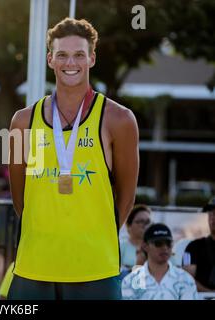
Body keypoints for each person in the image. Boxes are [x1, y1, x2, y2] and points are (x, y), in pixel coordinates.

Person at [8, 18, 139, 299]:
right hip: (35, 267)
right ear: (50, 59)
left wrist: (92, 236)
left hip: (95, 271)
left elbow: (126, 198)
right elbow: (20, 198)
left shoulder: (119, 119)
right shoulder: (23, 121)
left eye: (79, 54)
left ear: (91, 58)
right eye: (62, 55)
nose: (71, 62)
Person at [122, 223, 199, 300]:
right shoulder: (131, 281)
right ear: (145, 246)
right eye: (158, 243)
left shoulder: (185, 279)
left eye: (168, 243)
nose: (165, 247)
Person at [183, 197, 215, 292]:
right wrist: (210, 294)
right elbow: (187, 280)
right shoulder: (192, 247)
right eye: (210, 213)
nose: (213, 217)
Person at [120, 205, 151, 272]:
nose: (145, 225)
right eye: (141, 221)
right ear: (129, 225)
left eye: (148, 222)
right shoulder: (120, 247)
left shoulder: (157, 247)